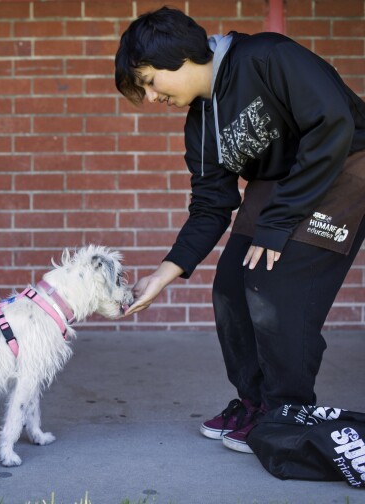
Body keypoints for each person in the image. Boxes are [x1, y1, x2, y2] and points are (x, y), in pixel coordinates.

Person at [116, 6, 365, 454]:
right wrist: (165, 273)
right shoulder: (201, 122)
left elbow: (332, 125)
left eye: (150, 82)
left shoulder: (267, 57)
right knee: (231, 286)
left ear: (181, 57)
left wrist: (279, 221)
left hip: (345, 166)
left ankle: (286, 410)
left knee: (274, 287)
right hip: (283, 186)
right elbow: (211, 204)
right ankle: (255, 403)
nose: (151, 98)